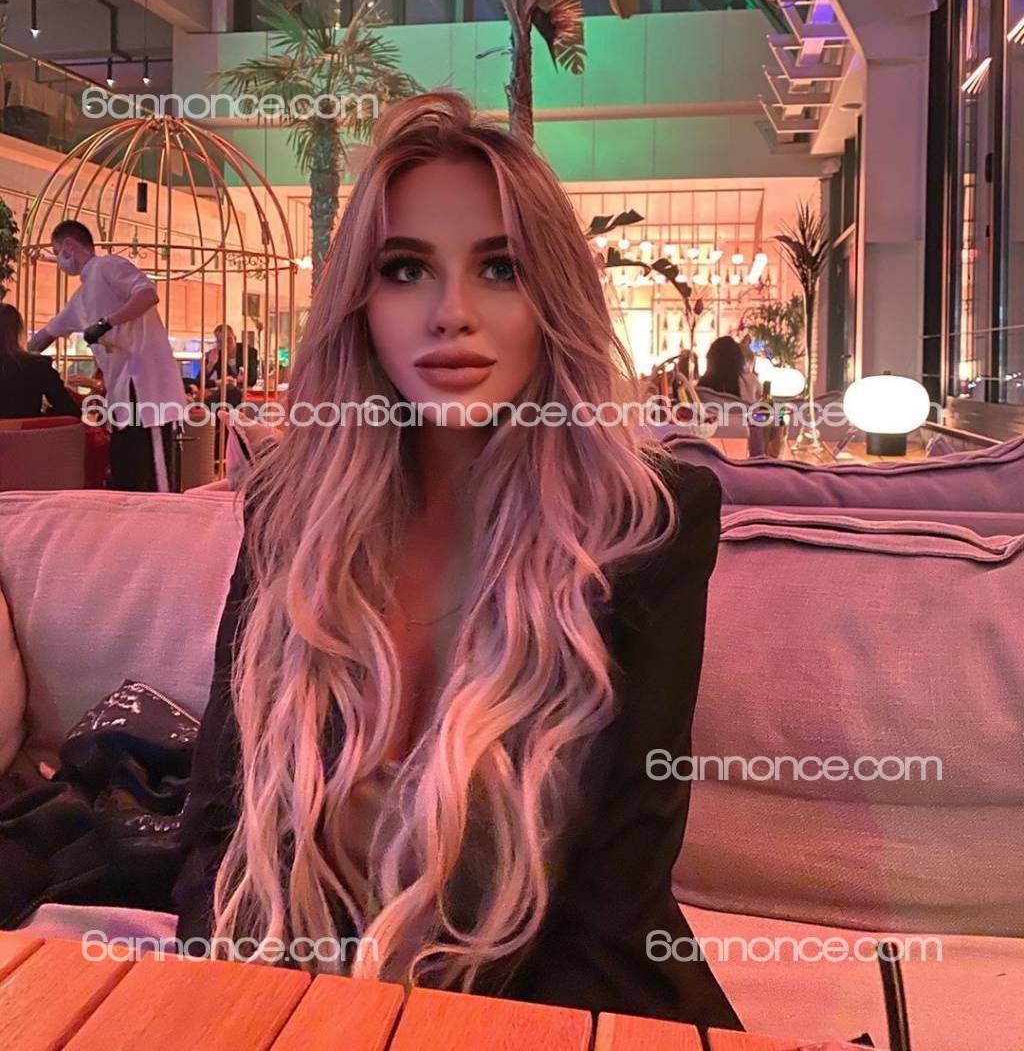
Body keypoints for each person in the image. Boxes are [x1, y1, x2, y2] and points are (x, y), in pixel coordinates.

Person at [174, 93, 741, 1032]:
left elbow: (611, 903)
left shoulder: (649, 525)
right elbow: (215, 838)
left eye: (500, 268)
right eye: (406, 269)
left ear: (553, 295)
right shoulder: (289, 511)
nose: (451, 314)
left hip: (557, 1018)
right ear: (360, 301)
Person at [27, 219, 187, 491]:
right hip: (122, 392)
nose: (58, 262)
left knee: (152, 474)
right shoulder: (80, 298)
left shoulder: (107, 265)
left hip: (146, 387)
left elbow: (147, 294)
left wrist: (106, 323)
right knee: (125, 472)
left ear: (69, 246)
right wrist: (16, 358)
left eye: (56, 252)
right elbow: (45, 335)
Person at [0, 303, 82, 419]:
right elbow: (70, 410)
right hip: (28, 430)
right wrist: (43, 416)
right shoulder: (39, 366)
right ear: (18, 331)